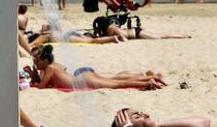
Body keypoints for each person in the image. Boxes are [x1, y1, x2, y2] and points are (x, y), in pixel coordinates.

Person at [24, 45, 166, 90]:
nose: (35, 64)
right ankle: (148, 77)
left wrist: (32, 77)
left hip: (83, 81)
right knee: (115, 79)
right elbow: (44, 82)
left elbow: (41, 86)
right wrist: (33, 73)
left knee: (118, 84)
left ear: (43, 60)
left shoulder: (50, 68)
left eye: (36, 61)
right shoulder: (52, 65)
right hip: (83, 77)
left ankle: (148, 81)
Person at [94, 17, 191, 40]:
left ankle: (182, 36)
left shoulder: (111, 28)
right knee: (158, 36)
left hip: (136, 33)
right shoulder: (110, 27)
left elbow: (119, 36)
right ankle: (181, 35)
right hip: (134, 32)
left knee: (159, 37)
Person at [28, 24, 122, 47]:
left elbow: (32, 44)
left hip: (67, 37)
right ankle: (112, 38)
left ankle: (112, 38)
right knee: (91, 39)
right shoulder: (48, 33)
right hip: (67, 34)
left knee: (92, 41)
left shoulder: (43, 37)